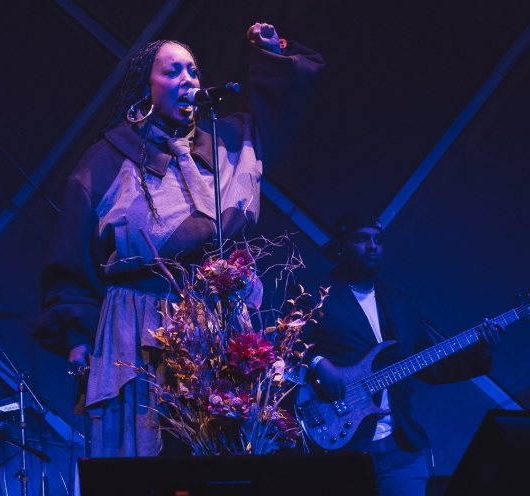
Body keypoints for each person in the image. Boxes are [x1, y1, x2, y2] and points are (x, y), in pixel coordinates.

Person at [33, 23, 325, 457]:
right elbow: (70, 257)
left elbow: (281, 106)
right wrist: (77, 337)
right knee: (153, 454)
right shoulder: (105, 160)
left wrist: (272, 53)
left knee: (225, 457)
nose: (187, 79)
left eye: (193, 70)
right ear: (145, 88)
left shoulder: (230, 141)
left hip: (223, 325)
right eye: (172, 72)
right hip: (140, 326)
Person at [298, 210, 504, 495]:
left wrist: (480, 352)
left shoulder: (402, 304)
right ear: (340, 247)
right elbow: (284, 348)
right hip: (342, 444)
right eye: (361, 239)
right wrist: (318, 362)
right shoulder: (313, 294)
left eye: (377, 239)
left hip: (400, 446)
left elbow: (432, 367)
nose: (372, 246)